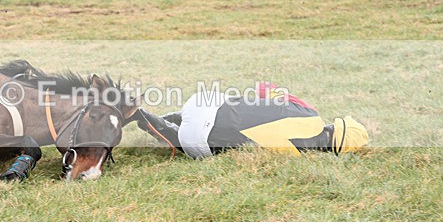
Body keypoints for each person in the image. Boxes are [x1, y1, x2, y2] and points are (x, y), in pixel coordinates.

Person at [135, 82, 368, 158]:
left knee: (222, 107)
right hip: (196, 146)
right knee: (202, 135)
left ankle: (151, 116)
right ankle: (148, 121)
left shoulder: (311, 114)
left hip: (202, 105)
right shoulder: (297, 158)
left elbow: (264, 87)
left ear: (332, 126)